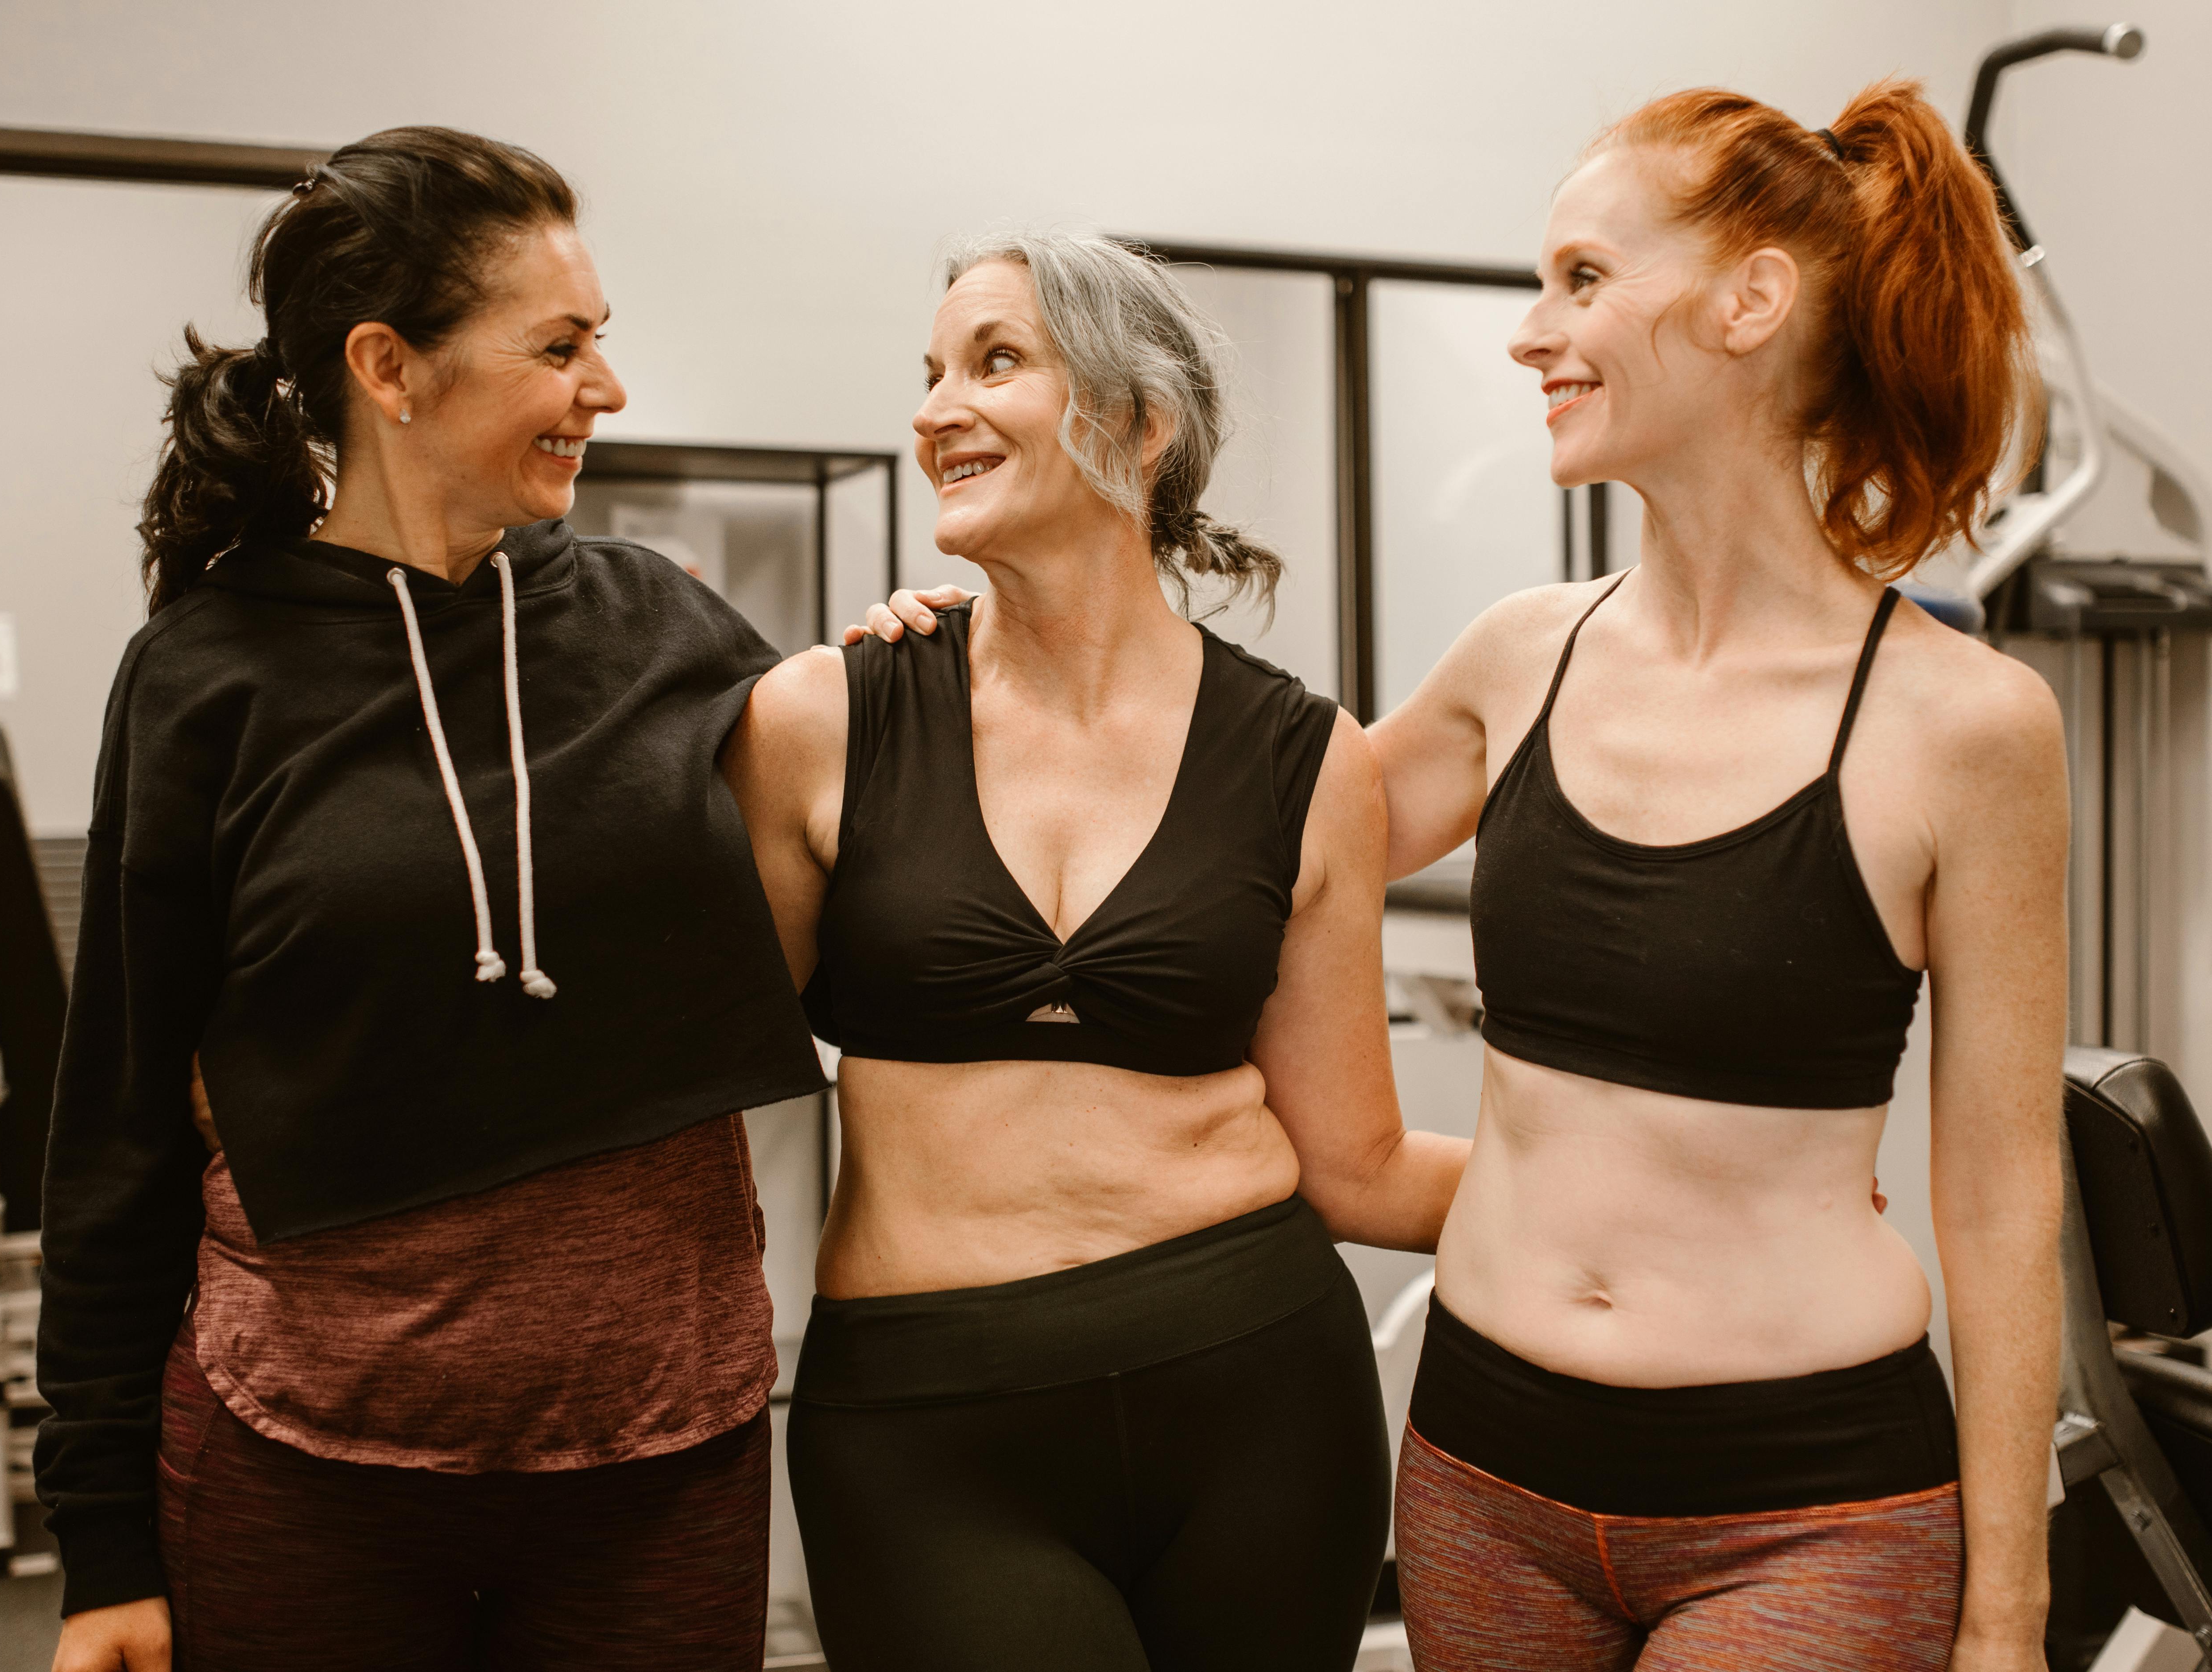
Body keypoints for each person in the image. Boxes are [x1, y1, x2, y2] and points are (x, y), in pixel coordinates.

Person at [863, 81, 2066, 1672]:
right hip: (1487, 1475)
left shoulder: (1968, 726)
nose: (1529, 331)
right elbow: (1219, 820)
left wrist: (2009, 1611)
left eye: (1581, 278)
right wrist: (987, 671)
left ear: (1750, 303)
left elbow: (2001, 1201)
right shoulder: (1523, 657)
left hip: (1804, 1502)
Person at [35, 127, 826, 1672]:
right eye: (562, 345)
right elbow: (117, 1112)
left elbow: (853, 848)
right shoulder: (208, 677)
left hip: (665, 1457)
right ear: (391, 367)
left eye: (604, 341)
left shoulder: (660, 620)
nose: (606, 387)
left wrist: (932, 673)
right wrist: (99, 1543)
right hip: (307, 1464)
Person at [724, 230, 1467, 1672]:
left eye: (995, 361)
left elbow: (1359, 1160)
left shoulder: (1309, 758)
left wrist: (1680, 1209)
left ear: (1141, 419)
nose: (938, 406)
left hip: (1258, 1389)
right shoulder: (821, 719)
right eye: (930, 372)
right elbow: (686, 1077)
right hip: (930, 1424)